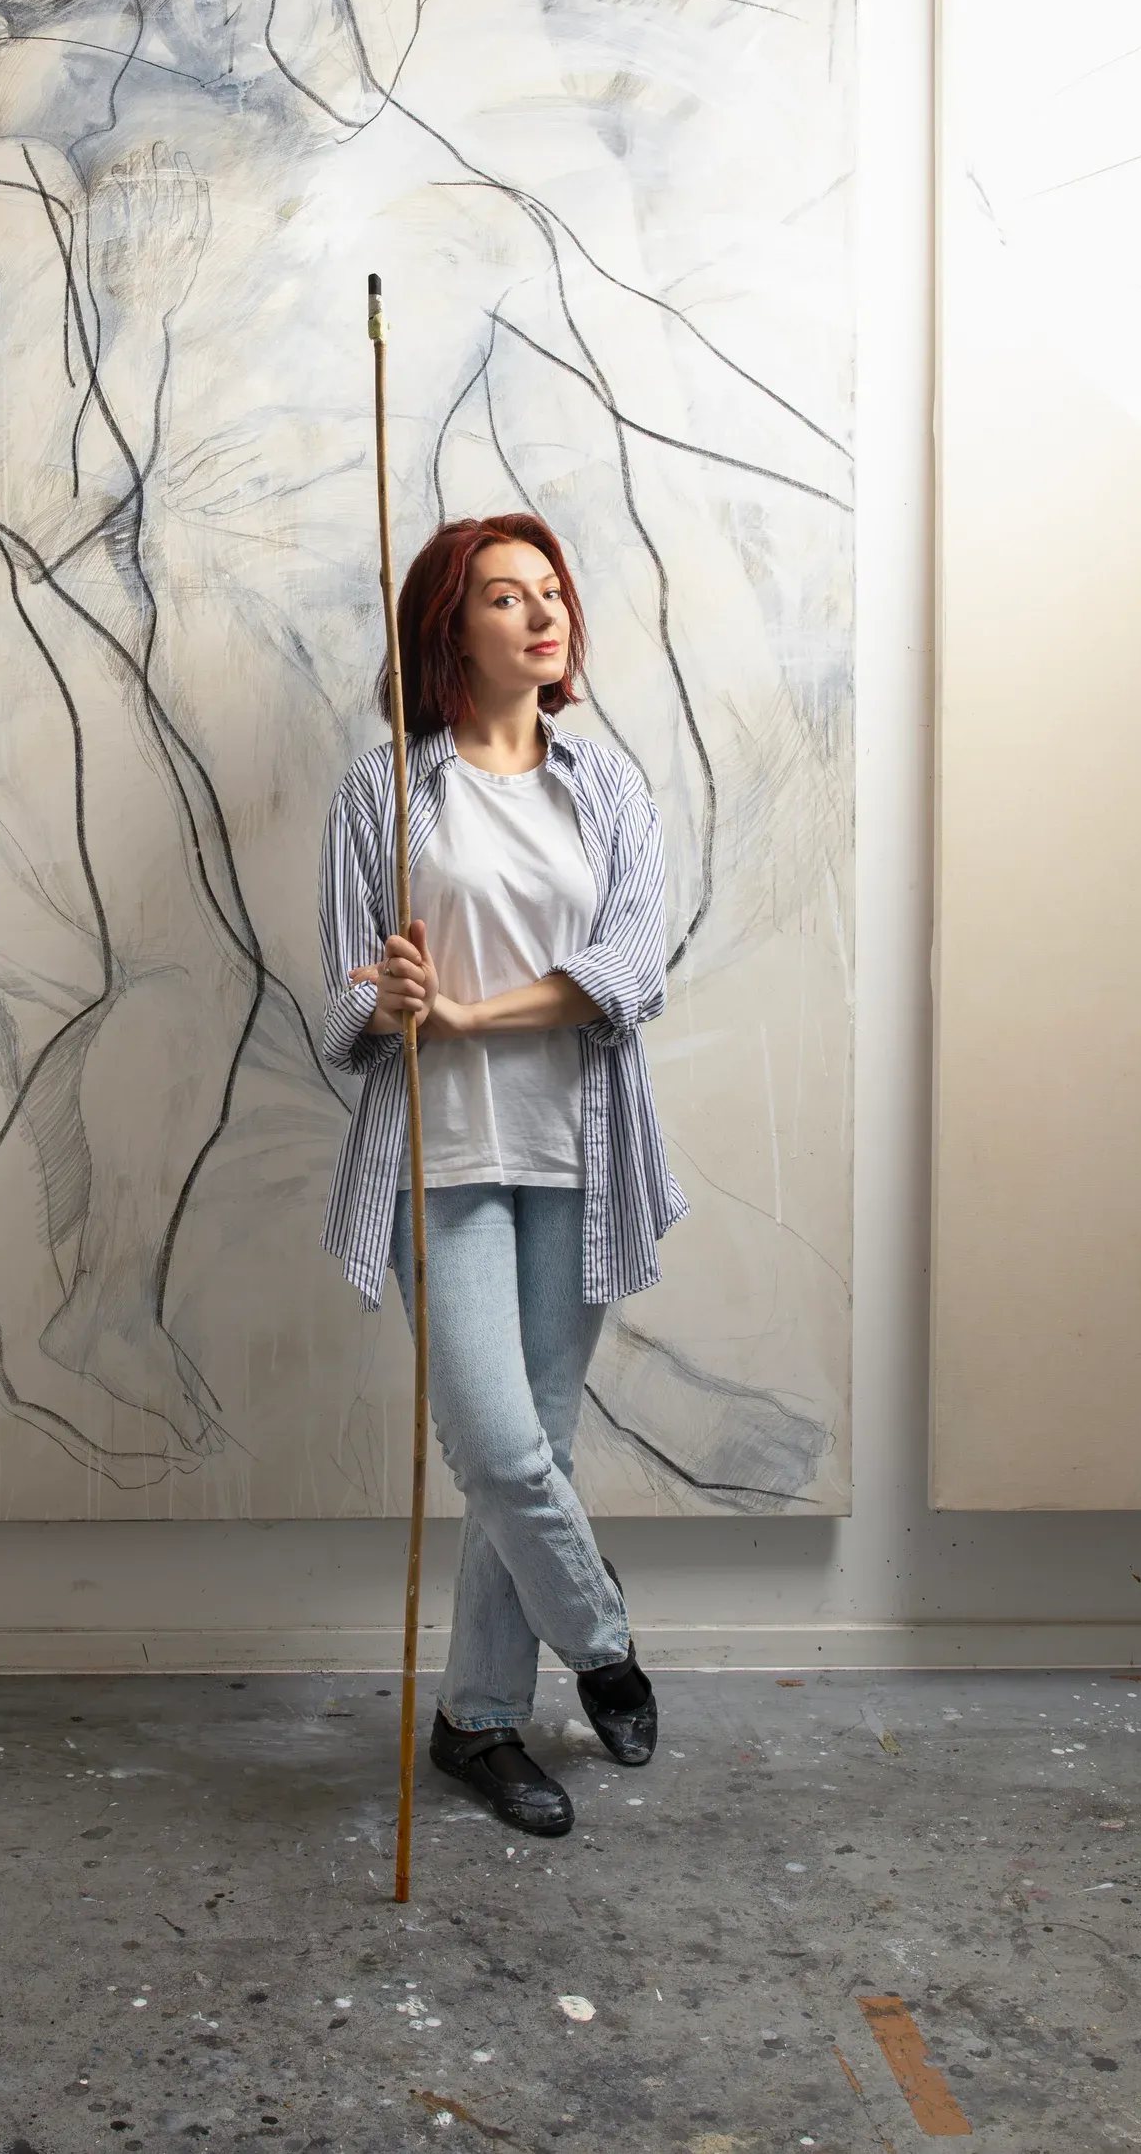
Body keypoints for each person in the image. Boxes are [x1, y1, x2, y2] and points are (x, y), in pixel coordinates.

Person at [317, 512, 689, 1835]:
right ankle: (603, 1642)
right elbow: (339, 994)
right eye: (503, 596)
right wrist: (385, 998)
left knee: (537, 1446)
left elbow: (633, 963)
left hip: (580, 1153)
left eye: (550, 591)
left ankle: (476, 1720)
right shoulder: (385, 794)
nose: (542, 615)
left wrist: (477, 1013)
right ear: (449, 629)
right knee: (495, 1442)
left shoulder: (610, 789)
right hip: (441, 1155)